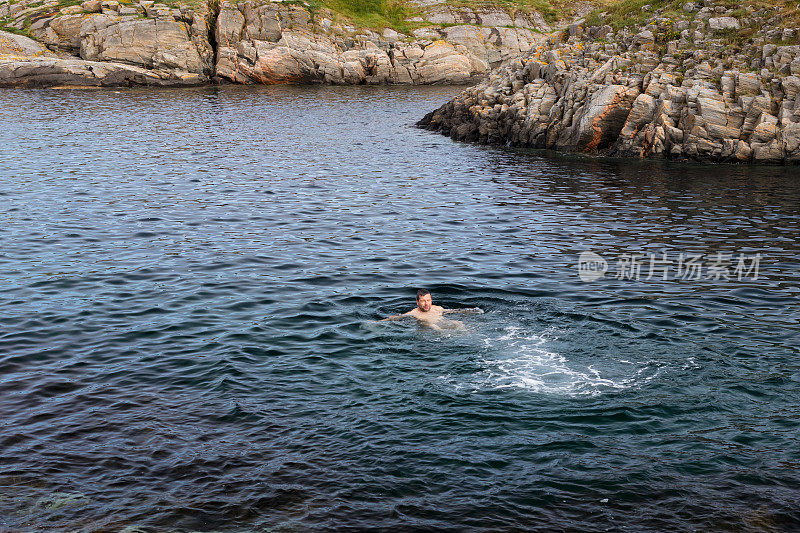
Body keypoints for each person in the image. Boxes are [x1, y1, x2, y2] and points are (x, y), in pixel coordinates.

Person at [381, 289, 483, 330]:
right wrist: (379, 322)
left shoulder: (437, 308)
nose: (426, 304)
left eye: (428, 300)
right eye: (423, 301)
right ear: (417, 302)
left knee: (459, 324)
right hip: (431, 328)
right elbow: (397, 317)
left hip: (444, 322)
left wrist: (471, 311)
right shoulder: (414, 312)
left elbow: (453, 311)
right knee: (435, 327)